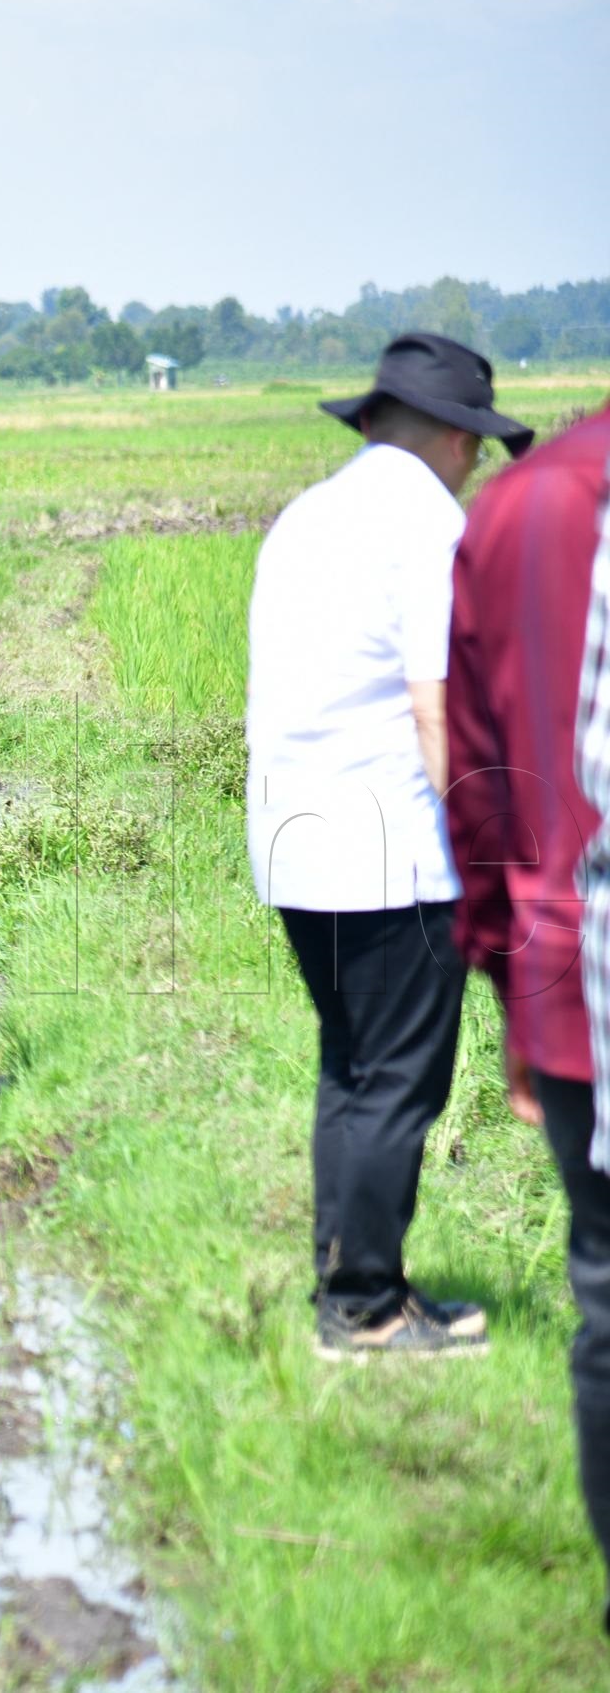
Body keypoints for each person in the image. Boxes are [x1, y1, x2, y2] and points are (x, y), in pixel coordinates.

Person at [246, 331, 533, 1361]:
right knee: (400, 1080)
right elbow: (436, 713)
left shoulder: (305, 517)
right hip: (387, 844)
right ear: (454, 439)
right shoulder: (430, 527)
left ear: (369, 423)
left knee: (352, 1066)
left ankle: (356, 1279)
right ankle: (361, 1308)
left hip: (289, 836)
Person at [475, 397, 610, 1627]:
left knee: (606, 1298)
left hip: (572, 979)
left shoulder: (515, 507)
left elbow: (483, 775)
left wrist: (509, 982)